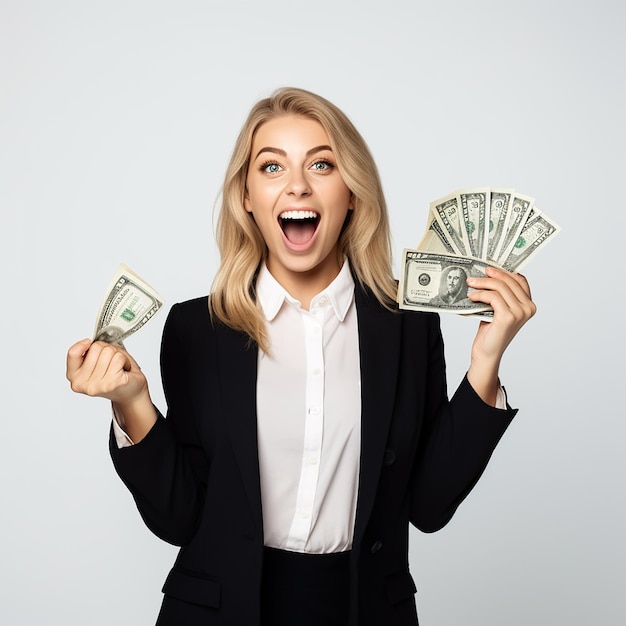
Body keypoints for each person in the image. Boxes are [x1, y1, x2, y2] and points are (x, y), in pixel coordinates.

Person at [66, 87, 536, 626]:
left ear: (353, 193)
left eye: (321, 164)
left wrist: (486, 360)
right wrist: (132, 403)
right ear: (246, 196)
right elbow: (180, 519)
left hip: (363, 610)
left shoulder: (408, 328)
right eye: (271, 167)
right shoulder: (197, 329)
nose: (297, 185)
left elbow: (429, 508)